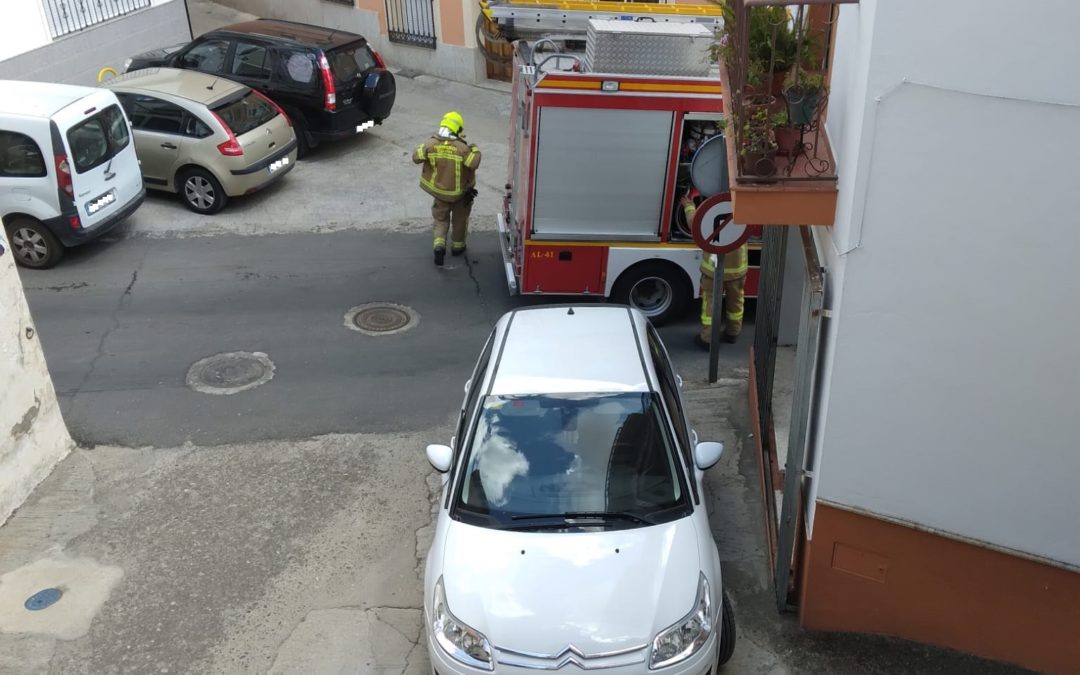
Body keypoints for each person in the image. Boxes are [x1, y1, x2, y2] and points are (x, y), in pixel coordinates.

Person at [412, 112, 481, 266]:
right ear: (457, 129)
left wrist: (428, 145)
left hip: (440, 194)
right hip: (460, 195)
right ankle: (458, 247)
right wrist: (475, 149)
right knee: (460, 221)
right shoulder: (462, 148)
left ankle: (439, 245)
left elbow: (416, 157)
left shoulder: (431, 144)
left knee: (440, 220)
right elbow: (473, 163)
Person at [680, 196, 748, 349]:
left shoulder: (713, 207)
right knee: (736, 302)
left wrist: (688, 206)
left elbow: (694, 224)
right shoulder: (743, 206)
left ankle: (707, 339)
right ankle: (732, 333)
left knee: (709, 305)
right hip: (737, 268)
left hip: (713, 268)